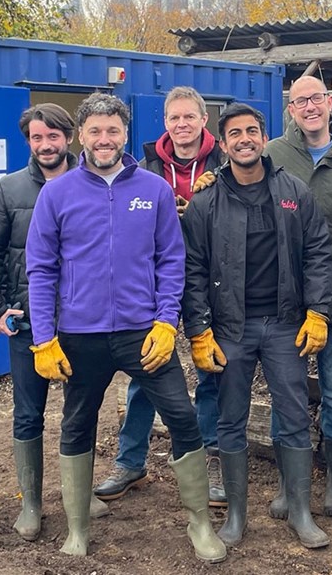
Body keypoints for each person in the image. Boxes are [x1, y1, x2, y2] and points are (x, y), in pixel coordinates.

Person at [26, 93, 225, 564]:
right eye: (94, 131)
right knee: (77, 423)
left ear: (125, 134)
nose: (103, 139)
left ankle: (200, 522)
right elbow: (41, 269)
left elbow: (171, 260)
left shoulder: (153, 190)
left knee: (181, 416)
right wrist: (44, 338)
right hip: (80, 335)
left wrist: (165, 320)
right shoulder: (56, 194)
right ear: (81, 136)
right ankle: (78, 527)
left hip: (143, 333)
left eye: (112, 130)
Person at [181, 103, 332, 549]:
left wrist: (318, 311)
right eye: (235, 134)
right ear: (223, 143)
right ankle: (236, 516)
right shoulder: (205, 202)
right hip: (230, 329)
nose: (244, 139)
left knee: (293, 417)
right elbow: (192, 270)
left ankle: (301, 512)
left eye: (252, 131)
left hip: (286, 325)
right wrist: (198, 330)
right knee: (231, 420)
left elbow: (318, 253)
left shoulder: (293, 191)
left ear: (263, 137)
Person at [0, 103, 110, 540]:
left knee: (80, 411)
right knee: (28, 413)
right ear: (28, 141)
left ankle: (80, 493)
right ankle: (30, 502)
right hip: (29, 322)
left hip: (80, 322)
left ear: (69, 138)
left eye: (53, 136)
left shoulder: (93, 185)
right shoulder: (8, 190)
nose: (45, 145)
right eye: (36, 137)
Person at [96, 87, 224, 506]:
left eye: (190, 117)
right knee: (145, 372)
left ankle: (205, 459)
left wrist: (206, 203)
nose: (182, 125)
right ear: (164, 122)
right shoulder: (145, 165)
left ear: (204, 120)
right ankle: (131, 461)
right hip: (154, 281)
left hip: (211, 279)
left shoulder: (223, 162)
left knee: (211, 373)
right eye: (174, 118)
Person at [263, 74, 332, 516]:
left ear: (330, 101)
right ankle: (289, 480)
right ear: (291, 109)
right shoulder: (273, 154)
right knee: (286, 389)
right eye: (300, 101)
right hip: (284, 296)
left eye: (315, 99)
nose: (309, 107)